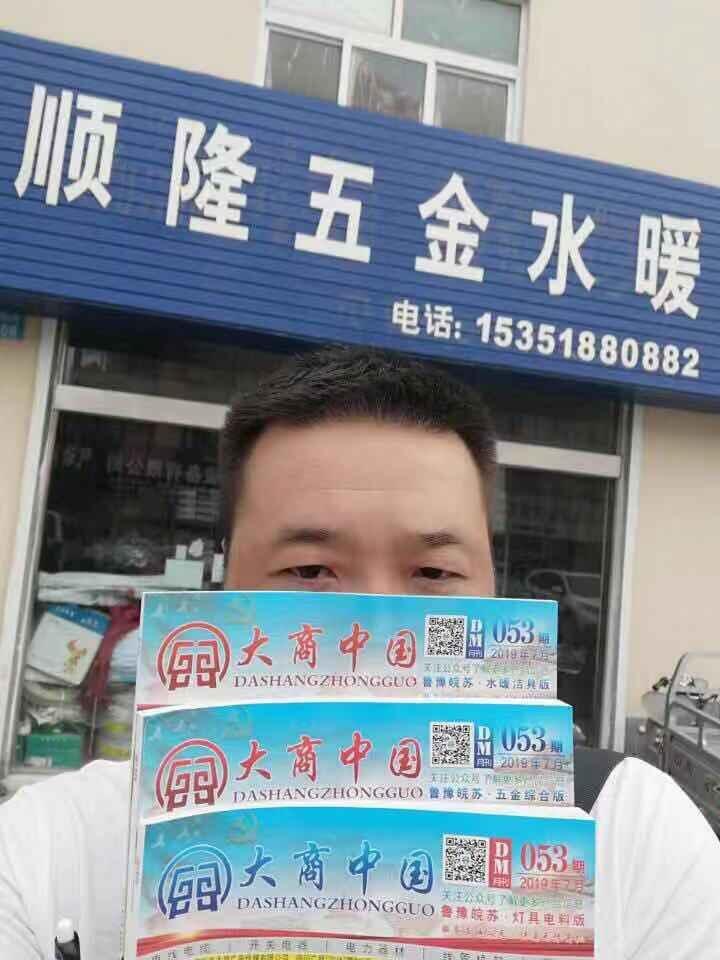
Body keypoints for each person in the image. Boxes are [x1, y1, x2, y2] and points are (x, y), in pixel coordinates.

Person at [0, 346, 718, 959]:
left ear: (494, 592)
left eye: (433, 572)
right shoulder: (50, 851)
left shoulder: (634, 836)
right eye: (310, 569)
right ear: (224, 584)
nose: (378, 627)